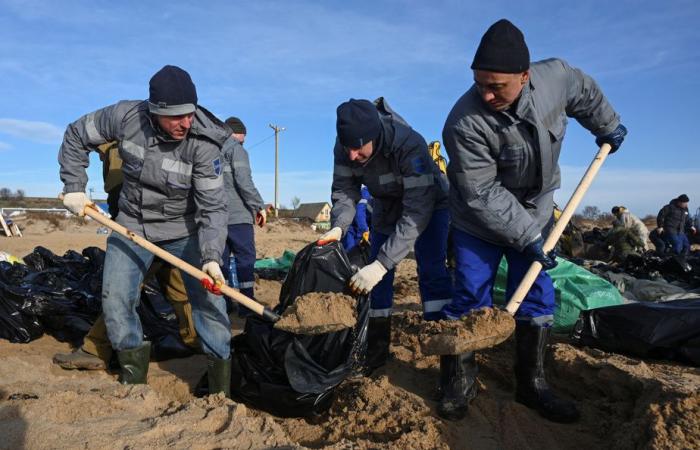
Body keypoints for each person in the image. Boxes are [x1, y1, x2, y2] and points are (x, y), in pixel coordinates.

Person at [441, 19, 627, 422]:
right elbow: (481, 192)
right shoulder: (464, 122)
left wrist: (607, 125)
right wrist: (527, 236)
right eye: (479, 84)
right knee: (471, 293)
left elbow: (585, 92)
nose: (486, 94)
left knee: (537, 296)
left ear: (525, 77)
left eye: (497, 86)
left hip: (537, 210)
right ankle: (459, 380)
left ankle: (532, 384)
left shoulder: (555, 78)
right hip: (478, 219)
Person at [58, 65, 232, 395]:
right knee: (116, 297)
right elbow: (76, 134)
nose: (186, 123)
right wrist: (74, 186)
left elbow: (212, 207)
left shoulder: (204, 143)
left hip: (186, 230)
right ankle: (133, 380)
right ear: (154, 111)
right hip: (132, 225)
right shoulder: (125, 116)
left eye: (190, 114)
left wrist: (211, 257)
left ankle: (219, 383)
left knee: (209, 302)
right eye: (176, 116)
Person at [319, 97, 452, 374]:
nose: (351, 156)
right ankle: (376, 351)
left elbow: (417, 210)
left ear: (376, 136)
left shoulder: (409, 144)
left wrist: (382, 263)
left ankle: (446, 358)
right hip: (386, 207)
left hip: (429, 205)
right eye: (347, 148)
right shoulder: (345, 148)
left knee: (431, 271)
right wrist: (338, 226)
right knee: (375, 281)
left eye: (357, 148)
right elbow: (344, 190)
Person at [53, 142, 199, 370]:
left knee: (125, 287)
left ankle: (96, 348)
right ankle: (194, 338)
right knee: (175, 280)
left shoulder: (129, 135)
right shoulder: (127, 134)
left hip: (141, 213)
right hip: (144, 211)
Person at [220, 116, 267, 317]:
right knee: (245, 260)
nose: (245, 139)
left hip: (217, 218)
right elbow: (244, 182)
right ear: (238, 133)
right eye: (244, 135)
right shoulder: (237, 149)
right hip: (238, 217)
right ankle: (247, 303)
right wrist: (259, 206)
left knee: (220, 261)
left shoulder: (212, 151)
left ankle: (224, 303)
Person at [341, 185, 372, 253]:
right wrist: (365, 229)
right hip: (351, 227)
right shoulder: (366, 193)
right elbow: (359, 213)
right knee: (350, 251)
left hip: (362, 230)